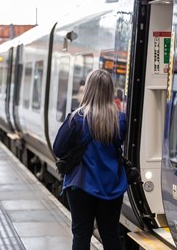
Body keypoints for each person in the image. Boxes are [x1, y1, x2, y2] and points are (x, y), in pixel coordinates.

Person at [53, 69, 128, 250]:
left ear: (88, 89)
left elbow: (58, 148)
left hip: (81, 186)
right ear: (110, 91)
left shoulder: (76, 119)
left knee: (81, 235)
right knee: (110, 235)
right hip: (112, 186)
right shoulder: (120, 120)